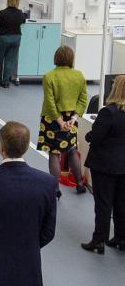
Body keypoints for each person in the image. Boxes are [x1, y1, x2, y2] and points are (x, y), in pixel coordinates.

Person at [0, 122, 57, 286]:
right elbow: (48, 232)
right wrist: (28, 246)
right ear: (27, 147)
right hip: (28, 268)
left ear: (1, 148)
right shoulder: (47, 183)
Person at [82, 75, 125, 254]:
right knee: (121, 202)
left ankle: (99, 240)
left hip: (105, 164)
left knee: (103, 203)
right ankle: (121, 237)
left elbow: (96, 136)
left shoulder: (108, 112)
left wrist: (88, 136)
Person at [38, 45, 87, 198]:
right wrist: (74, 118)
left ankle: (55, 189)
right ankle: (79, 183)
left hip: (52, 119)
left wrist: (59, 121)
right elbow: (83, 99)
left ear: (56, 58)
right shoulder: (79, 75)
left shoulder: (49, 76)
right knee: (71, 150)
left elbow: (50, 102)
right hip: (71, 117)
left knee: (54, 153)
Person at [0, 0, 26, 88]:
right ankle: (6, 82)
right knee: (10, 60)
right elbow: (23, 21)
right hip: (16, 38)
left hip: (3, 38)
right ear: (17, 3)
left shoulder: (2, 13)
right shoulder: (20, 13)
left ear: (8, 2)